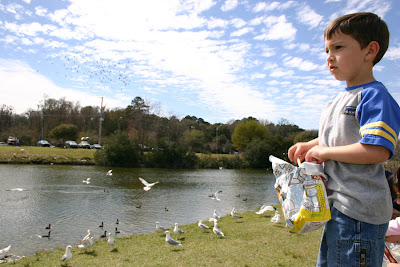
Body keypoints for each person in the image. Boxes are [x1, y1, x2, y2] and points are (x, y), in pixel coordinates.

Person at [288, 12, 400, 267]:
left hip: (360, 211)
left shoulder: (374, 96)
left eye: (338, 47)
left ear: (369, 51)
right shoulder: (338, 100)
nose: (329, 56)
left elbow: (377, 150)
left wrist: (325, 152)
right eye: (327, 50)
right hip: (339, 206)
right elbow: (337, 137)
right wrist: (311, 145)